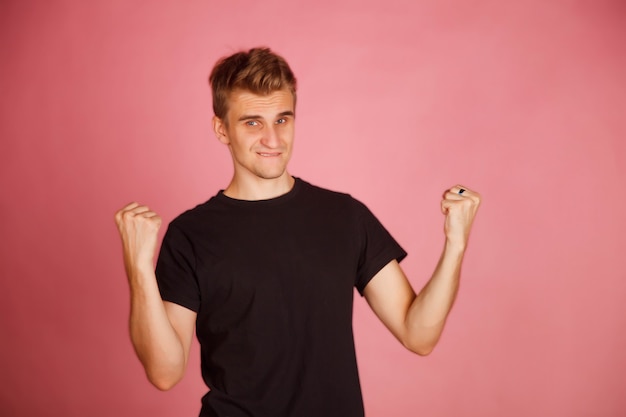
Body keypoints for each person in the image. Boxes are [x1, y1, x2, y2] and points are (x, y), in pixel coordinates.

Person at [114, 47, 481, 417]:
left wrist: (456, 245)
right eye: (252, 123)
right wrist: (138, 269)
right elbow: (165, 373)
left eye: (282, 120)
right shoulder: (191, 235)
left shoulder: (344, 217)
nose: (273, 140)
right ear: (221, 129)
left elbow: (418, 335)